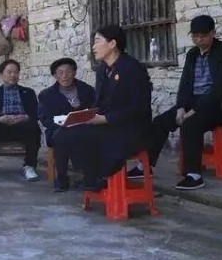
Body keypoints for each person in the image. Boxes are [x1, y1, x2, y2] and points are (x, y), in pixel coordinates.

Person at [143, 15, 222, 190]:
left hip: (221, 105)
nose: (199, 40)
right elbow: (185, 84)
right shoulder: (192, 54)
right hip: (194, 102)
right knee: (161, 121)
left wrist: (194, 110)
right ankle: (146, 166)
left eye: (203, 36)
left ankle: (194, 175)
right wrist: (181, 107)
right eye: (195, 36)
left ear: (213, 33)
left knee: (190, 123)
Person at [56, 25, 152, 191]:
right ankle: (91, 175)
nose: (93, 47)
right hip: (107, 124)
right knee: (63, 133)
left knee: (85, 137)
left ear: (112, 44)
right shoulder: (102, 70)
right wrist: (86, 115)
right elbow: (100, 102)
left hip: (131, 128)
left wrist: (105, 119)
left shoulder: (132, 69)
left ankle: (98, 176)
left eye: (97, 41)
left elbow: (138, 107)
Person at [37, 58, 96, 192]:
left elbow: (95, 109)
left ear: (74, 73)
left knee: (90, 135)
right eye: (60, 72)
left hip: (84, 127)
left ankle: (89, 176)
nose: (64, 76)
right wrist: (63, 123)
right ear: (55, 75)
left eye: (68, 72)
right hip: (58, 130)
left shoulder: (87, 90)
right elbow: (45, 119)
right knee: (62, 136)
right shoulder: (47, 95)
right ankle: (63, 177)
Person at [0, 60, 41, 182]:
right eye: (9, 72)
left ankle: (29, 166)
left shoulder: (28, 92)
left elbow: (36, 113)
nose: (13, 75)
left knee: (34, 127)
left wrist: (25, 117)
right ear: (2, 75)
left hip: (22, 126)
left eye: (16, 72)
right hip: (1, 126)